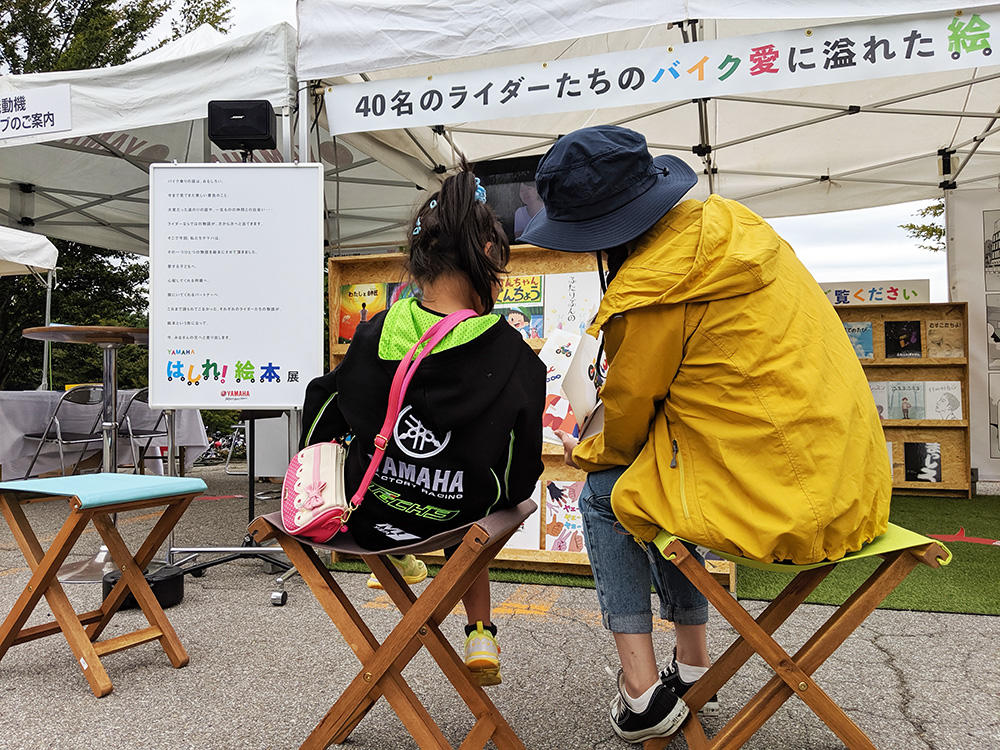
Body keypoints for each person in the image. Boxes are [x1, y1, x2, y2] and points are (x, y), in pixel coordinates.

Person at [518, 125, 891, 743]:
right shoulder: (737, 227)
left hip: (788, 504)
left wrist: (581, 448)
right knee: (649, 485)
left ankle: (641, 694)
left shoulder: (649, 288)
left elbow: (625, 424)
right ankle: (692, 663)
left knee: (606, 495)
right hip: (852, 483)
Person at [301, 167, 545, 686]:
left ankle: (400, 565)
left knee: (385, 469)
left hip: (368, 516)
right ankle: (480, 631)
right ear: (488, 257)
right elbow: (521, 474)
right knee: (487, 499)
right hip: (458, 523)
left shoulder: (372, 335)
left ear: (418, 262)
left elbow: (324, 401)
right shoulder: (513, 357)